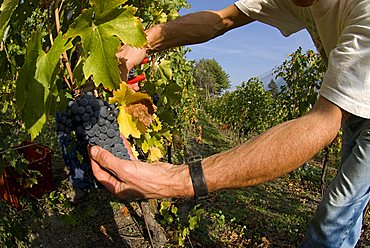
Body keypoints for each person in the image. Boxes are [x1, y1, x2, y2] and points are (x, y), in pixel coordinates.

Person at [88, 0, 370, 247]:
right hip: (356, 103)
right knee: (348, 210)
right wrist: (144, 42)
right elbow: (221, 20)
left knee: (336, 212)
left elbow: (321, 122)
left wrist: (179, 179)